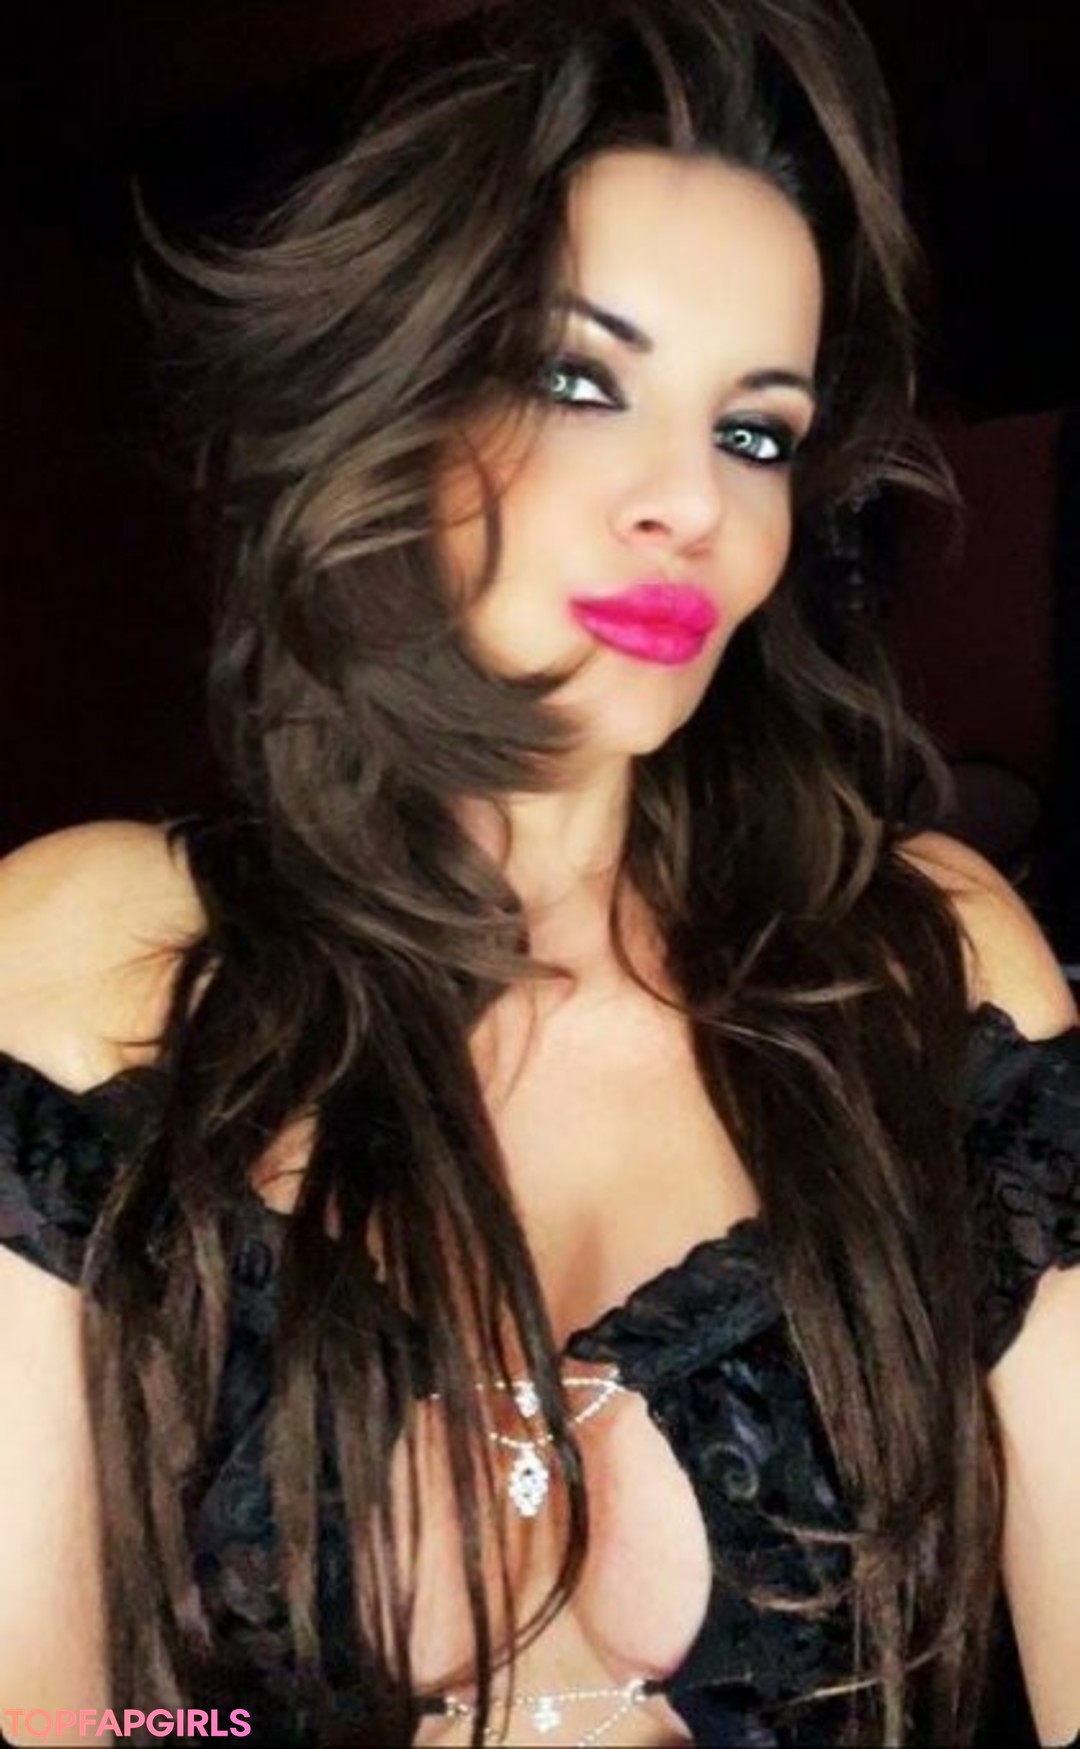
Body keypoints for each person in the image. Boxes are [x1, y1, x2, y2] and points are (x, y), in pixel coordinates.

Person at [1, 0, 1077, 1744]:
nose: (689, 502)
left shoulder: (929, 973)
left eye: (755, 432)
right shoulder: (93, 966)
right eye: (581, 380)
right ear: (399, 397)